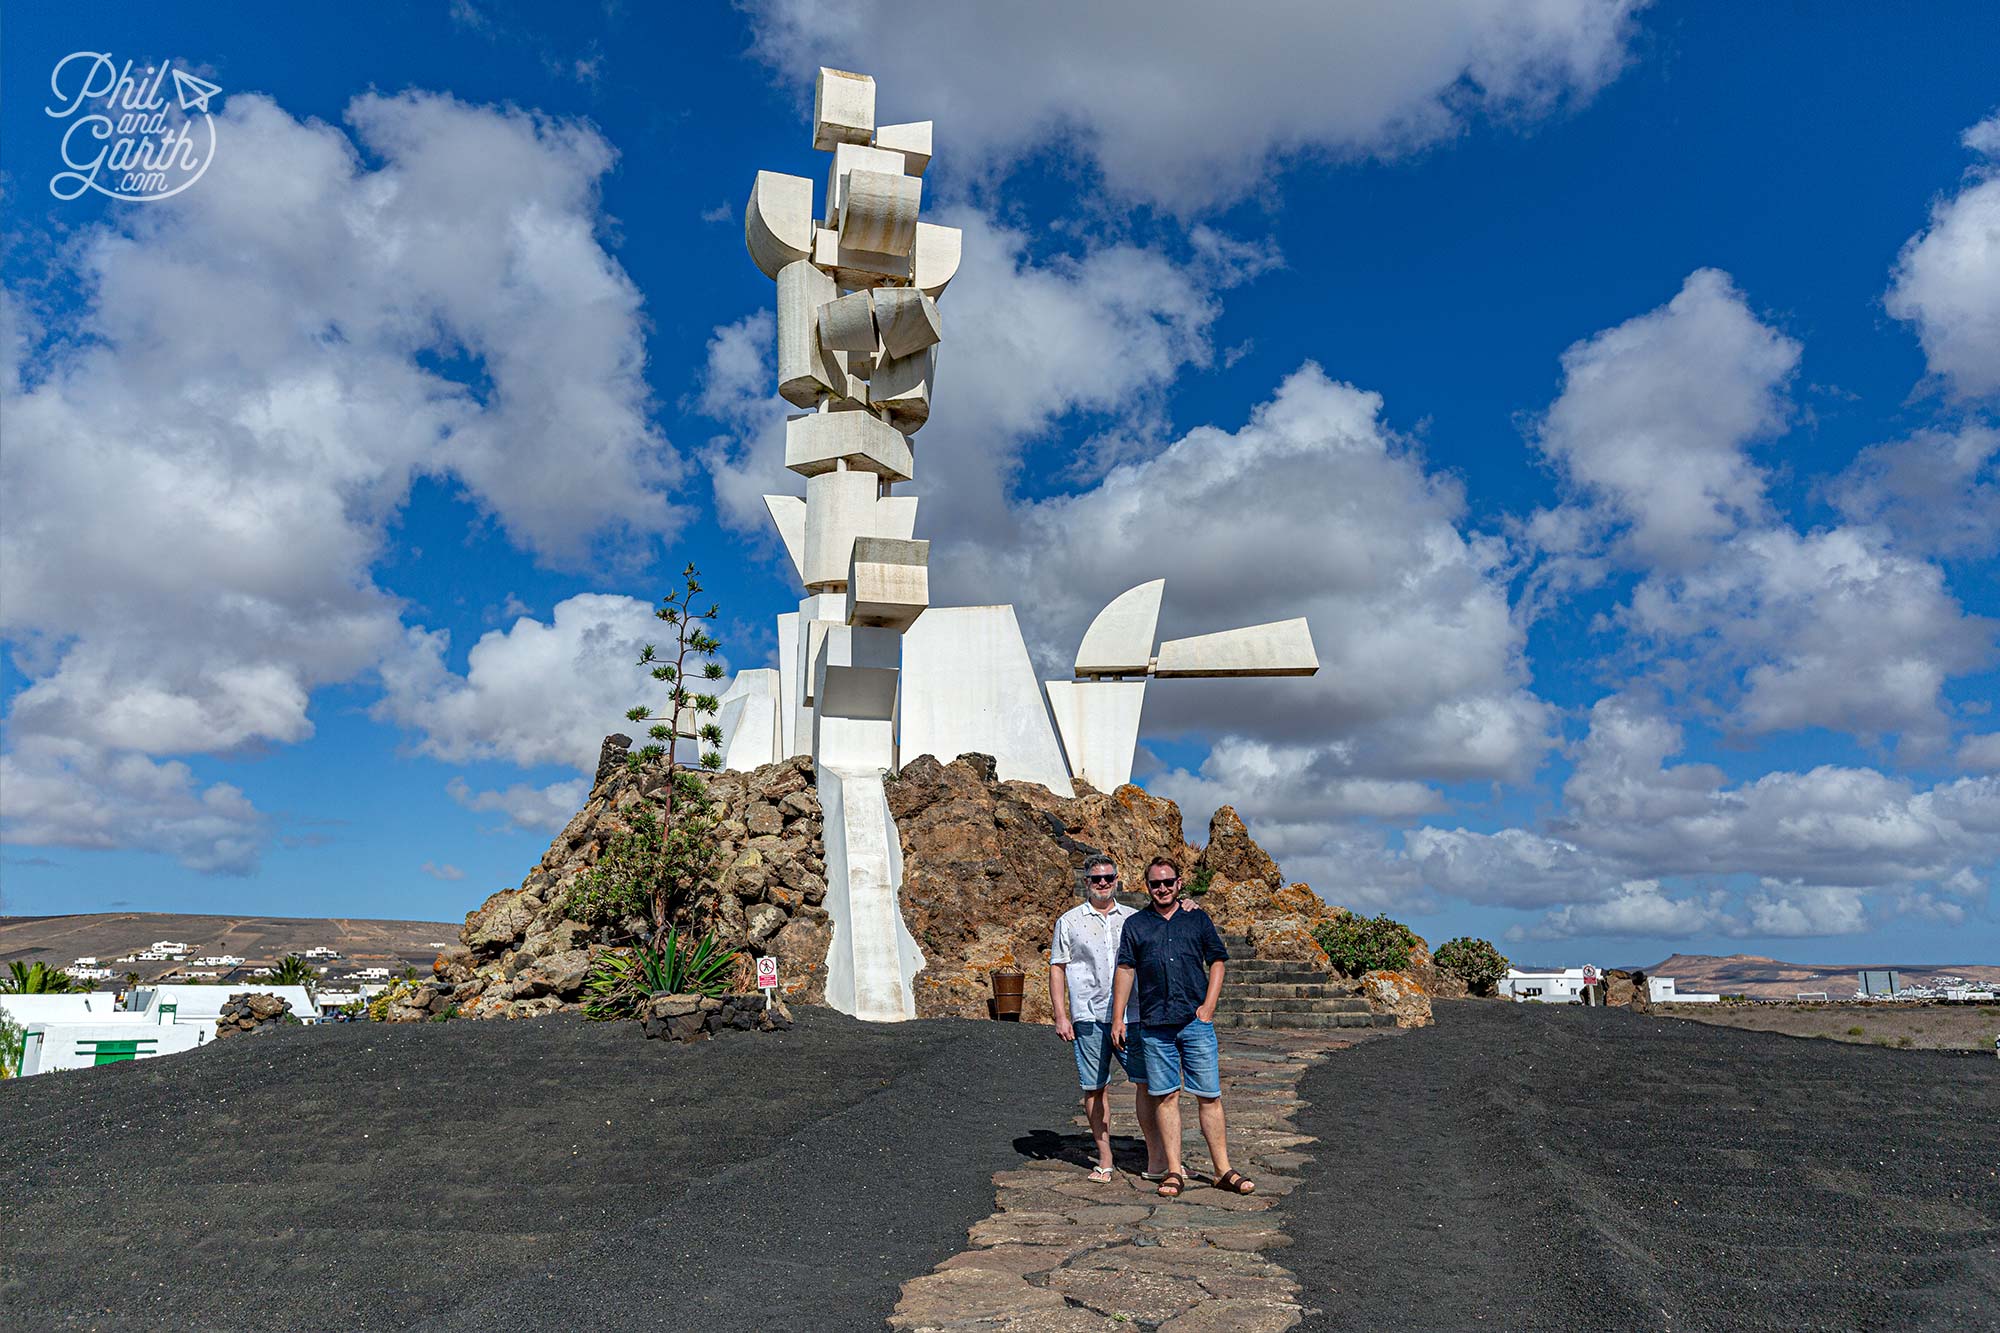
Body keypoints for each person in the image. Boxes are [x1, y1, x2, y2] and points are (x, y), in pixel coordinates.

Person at [1111, 856, 1255, 1198]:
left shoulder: (1196, 918)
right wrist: (1118, 1017)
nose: (1162, 888)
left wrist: (1209, 1006)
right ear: (1147, 887)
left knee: (1209, 1095)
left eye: (1168, 882)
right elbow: (1126, 970)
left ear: (1179, 884)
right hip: (1155, 1024)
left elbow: (1217, 960)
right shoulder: (1136, 925)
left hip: (1194, 1022)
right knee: (1165, 1097)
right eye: (1155, 884)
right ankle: (1174, 1171)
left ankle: (1222, 1169)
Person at [1050, 856, 1166, 1182]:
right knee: (1095, 1088)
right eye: (1095, 878)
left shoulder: (1135, 918)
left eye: (1108, 877)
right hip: (1089, 1015)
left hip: (1133, 1015)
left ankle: (1157, 1155)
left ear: (1117, 879)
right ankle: (1104, 1156)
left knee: (1147, 1084)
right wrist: (1061, 1015)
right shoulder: (1069, 921)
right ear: (1085, 881)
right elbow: (1057, 969)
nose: (1102, 883)